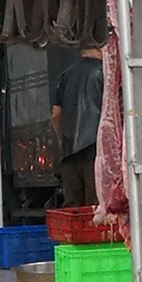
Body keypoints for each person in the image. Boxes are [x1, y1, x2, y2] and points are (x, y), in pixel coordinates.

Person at [50, 47, 104, 207]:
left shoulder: (66, 75)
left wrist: (64, 139)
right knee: (97, 209)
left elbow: (55, 114)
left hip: (69, 154)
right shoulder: (104, 73)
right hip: (96, 152)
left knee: (74, 210)